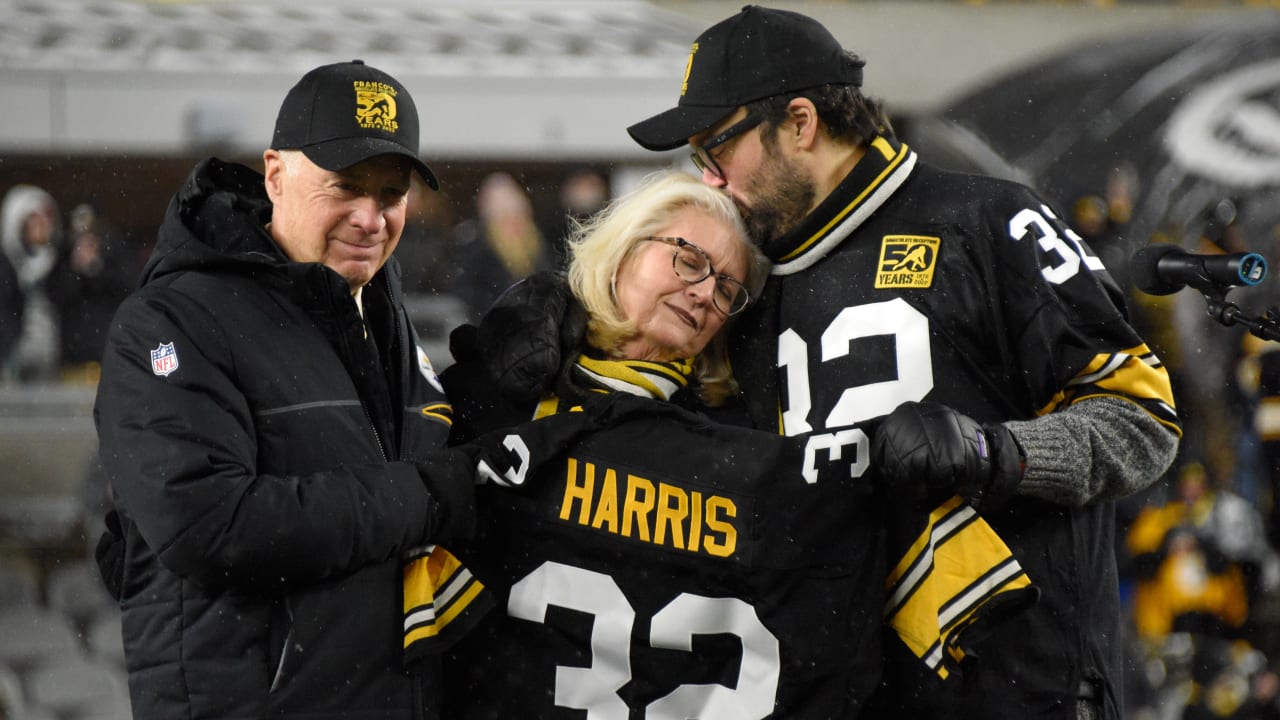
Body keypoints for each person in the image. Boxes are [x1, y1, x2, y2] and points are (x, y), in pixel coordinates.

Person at [623, 6, 1182, 720]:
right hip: (839, 695)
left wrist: (995, 451)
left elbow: (1144, 423)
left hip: (1020, 690)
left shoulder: (992, 223)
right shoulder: (745, 289)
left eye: (716, 150)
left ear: (799, 123)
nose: (710, 181)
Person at [428, 170, 909, 717]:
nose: (705, 293)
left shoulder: (741, 440)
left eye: (728, 288)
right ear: (625, 245)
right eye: (689, 258)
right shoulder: (493, 389)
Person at [92, 60, 482, 720]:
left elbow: (427, 471)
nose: (370, 217)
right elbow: (209, 525)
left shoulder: (381, 315)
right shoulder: (172, 319)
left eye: (390, 196)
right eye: (344, 187)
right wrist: (421, 497)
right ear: (275, 173)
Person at [447, 171, 555, 323]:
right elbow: (469, 292)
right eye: (507, 217)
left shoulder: (537, 244)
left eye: (519, 216)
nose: (515, 224)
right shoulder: (477, 247)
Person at [0, 184, 62, 382]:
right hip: (10, 358)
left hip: (51, 361)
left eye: (47, 221)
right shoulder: (6, 267)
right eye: (34, 221)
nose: (42, 227)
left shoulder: (58, 265)